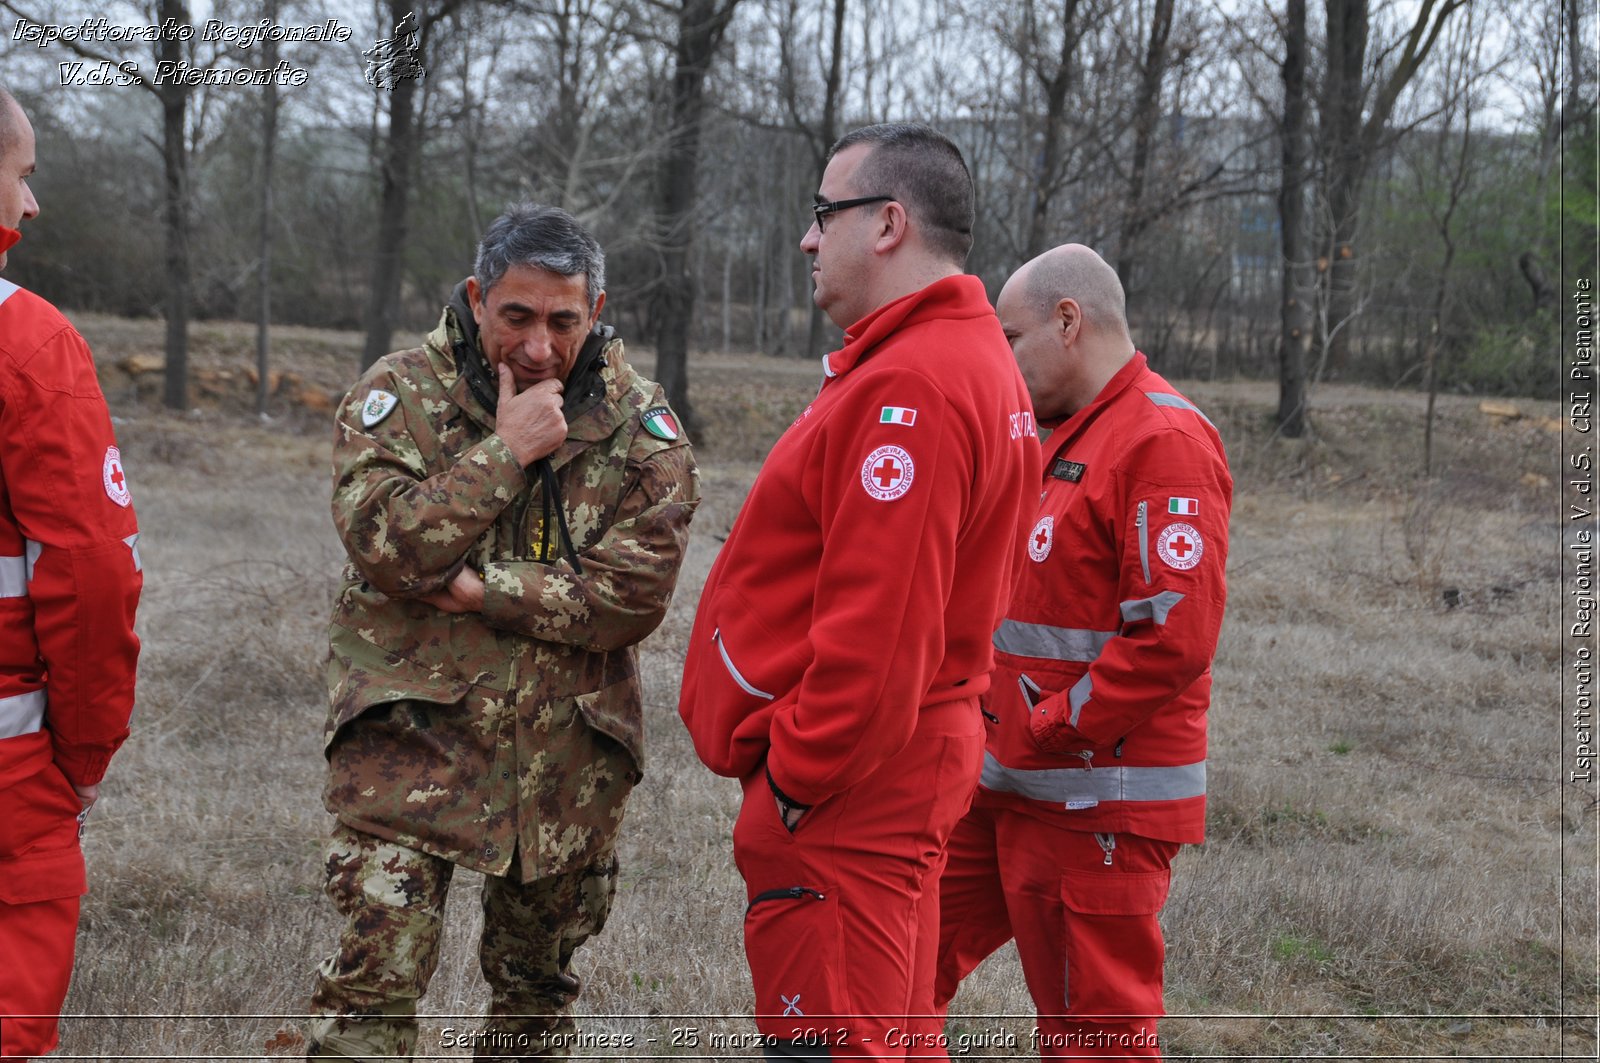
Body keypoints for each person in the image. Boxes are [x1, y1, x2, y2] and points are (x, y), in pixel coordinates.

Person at [679, 123, 1041, 1059]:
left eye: (820, 213)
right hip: (894, 776)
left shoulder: (913, 387)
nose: (807, 238)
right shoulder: (955, 358)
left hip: (851, 797)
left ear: (887, 224)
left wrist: (795, 785)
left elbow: (880, 642)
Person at [307, 203, 699, 1062]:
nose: (538, 346)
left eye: (563, 321)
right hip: (406, 744)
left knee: (534, 1002)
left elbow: (633, 596)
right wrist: (507, 450)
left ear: (597, 310)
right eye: (516, 316)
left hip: (567, 758)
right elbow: (389, 544)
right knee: (370, 996)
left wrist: (486, 589)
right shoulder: (397, 394)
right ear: (479, 299)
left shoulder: (641, 426)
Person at [933, 244, 1233, 1060]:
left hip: (1092, 800)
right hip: (999, 780)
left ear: (1069, 321)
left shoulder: (1160, 439)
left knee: (1094, 1038)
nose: (1002, 357)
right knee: (898, 966)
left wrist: (1056, 724)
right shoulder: (1053, 432)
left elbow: (1175, 635)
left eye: (1013, 336)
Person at [0, 87, 143, 1058]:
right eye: (21, 169)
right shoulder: (27, 343)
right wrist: (82, 753)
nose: (33, 200)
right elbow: (92, 573)